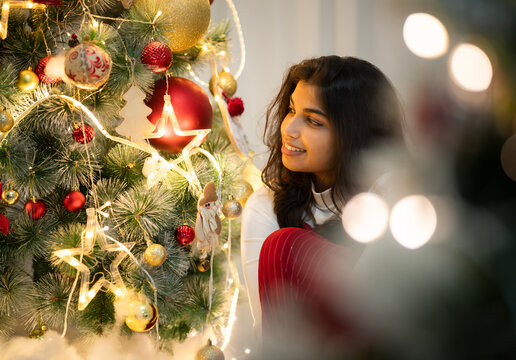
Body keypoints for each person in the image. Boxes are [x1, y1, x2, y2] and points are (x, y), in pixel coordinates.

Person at [240, 55, 404, 358]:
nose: (289, 129)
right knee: (283, 244)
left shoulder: (391, 192)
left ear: (354, 133)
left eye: (313, 121)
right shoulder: (265, 205)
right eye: (291, 110)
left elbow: (391, 314)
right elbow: (271, 330)